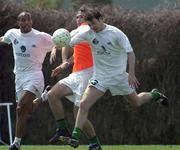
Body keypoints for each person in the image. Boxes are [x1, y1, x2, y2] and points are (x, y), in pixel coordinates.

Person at [61, 5, 169, 149]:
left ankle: (154, 94)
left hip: (119, 77)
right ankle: (75, 137)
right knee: (83, 104)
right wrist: (59, 41)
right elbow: (69, 42)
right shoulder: (88, 32)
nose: (92, 27)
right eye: (90, 24)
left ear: (101, 19)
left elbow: (130, 53)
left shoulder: (116, 33)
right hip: (100, 77)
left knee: (136, 102)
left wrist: (131, 74)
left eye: (94, 23)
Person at [33, 9, 102, 150]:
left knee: (78, 113)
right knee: (53, 95)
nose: (78, 19)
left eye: (81, 16)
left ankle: (95, 143)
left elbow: (66, 39)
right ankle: (62, 129)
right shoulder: (77, 32)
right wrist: (64, 60)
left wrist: (57, 46)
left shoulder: (88, 30)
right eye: (77, 16)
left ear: (88, 18)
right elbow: (74, 53)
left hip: (89, 74)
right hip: (76, 74)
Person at [0, 12, 54, 150]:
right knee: (26, 110)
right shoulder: (12, 33)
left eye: (28, 20)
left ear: (32, 21)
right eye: (22, 20)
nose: (25, 23)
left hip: (35, 76)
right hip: (19, 78)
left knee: (20, 108)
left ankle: (16, 143)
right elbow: (4, 39)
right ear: (18, 22)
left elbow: (58, 41)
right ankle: (43, 98)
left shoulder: (40, 36)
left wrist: (55, 49)